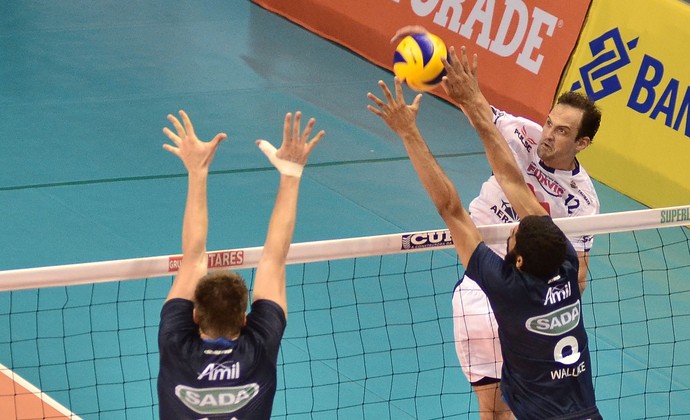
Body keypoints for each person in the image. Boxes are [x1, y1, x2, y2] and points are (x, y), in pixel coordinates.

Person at [366, 47, 601, 419]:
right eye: (551, 122)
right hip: (520, 269)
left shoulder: (582, 200)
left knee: (504, 406)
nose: (549, 134)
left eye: (563, 131)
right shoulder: (521, 133)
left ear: (582, 143)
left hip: (519, 277)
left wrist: (408, 132)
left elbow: (451, 209)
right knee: (496, 406)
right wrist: (470, 95)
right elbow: (507, 171)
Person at [157, 110, 324, 419]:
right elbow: (275, 257)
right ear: (245, 319)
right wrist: (291, 173)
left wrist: (197, 171)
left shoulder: (175, 343)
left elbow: (194, 256)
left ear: (195, 315)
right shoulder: (258, 347)